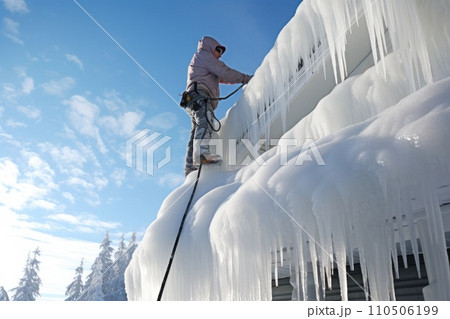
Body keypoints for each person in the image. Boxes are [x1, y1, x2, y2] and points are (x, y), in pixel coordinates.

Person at [183, 36, 252, 177]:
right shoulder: (204, 56)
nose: (220, 54)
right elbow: (225, 72)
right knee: (206, 122)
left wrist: (240, 80)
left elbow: (224, 77)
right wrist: (246, 79)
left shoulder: (203, 62)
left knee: (196, 129)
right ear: (210, 47)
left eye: (221, 52)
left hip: (193, 98)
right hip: (199, 96)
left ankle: (190, 168)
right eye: (218, 50)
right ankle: (201, 154)